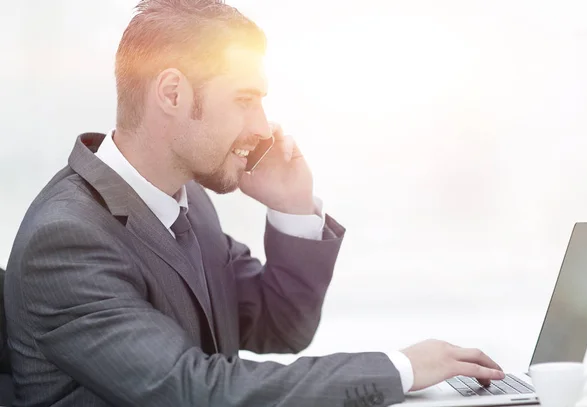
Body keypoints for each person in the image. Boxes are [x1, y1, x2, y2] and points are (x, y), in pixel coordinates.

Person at [3, 1, 506, 406]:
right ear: (173, 93)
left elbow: (278, 327)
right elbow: (195, 390)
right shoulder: (67, 239)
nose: (263, 128)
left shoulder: (186, 204)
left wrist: (292, 208)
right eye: (245, 100)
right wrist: (400, 368)